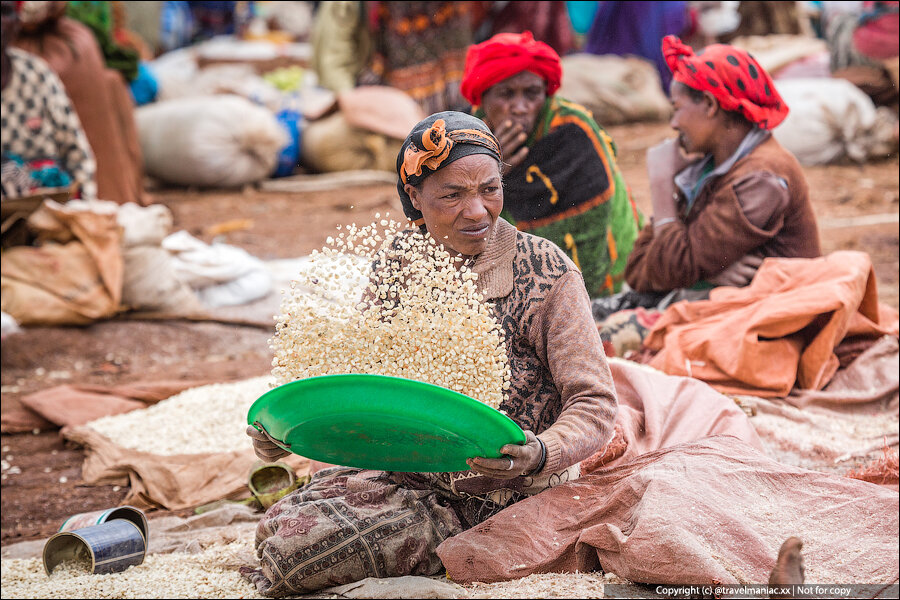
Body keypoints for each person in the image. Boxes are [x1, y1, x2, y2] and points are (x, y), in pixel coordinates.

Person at [243, 111, 618, 596]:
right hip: (405, 464)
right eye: (452, 195)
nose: (479, 211)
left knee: (297, 557)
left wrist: (539, 452)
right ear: (415, 198)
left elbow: (595, 403)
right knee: (278, 525)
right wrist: (289, 432)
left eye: (490, 189)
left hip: (502, 489)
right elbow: (366, 383)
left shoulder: (545, 272)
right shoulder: (400, 265)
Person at [592, 35, 822, 356]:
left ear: (711, 106)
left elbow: (668, 268)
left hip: (764, 325)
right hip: (712, 305)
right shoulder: (712, 165)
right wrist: (703, 268)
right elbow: (640, 271)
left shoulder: (761, 178)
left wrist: (661, 186)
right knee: (577, 320)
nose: (673, 123)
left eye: (677, 108)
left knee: (594, 343)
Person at [459, 31, 643, 299]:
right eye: (506, 94)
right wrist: (492, 171)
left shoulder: (572, 132)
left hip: (597, 277)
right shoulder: (467, 135)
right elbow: (448, 221)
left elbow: (591, 234)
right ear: (483, 100)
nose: (520, 107)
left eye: (532, 94)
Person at [1, 0, 96, 201]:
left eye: (4, 12)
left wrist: (82, 210)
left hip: (47, 212)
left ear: (17, 22)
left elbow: (78, 155)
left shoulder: (37, 74)